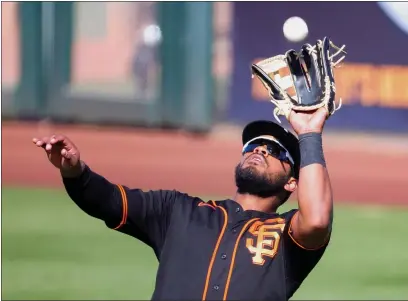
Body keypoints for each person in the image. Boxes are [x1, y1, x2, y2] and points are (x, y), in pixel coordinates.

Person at [32, 107, 333, 301]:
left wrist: (308, 133)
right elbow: (107, 201)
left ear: (292, 182)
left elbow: (318, 220)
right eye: (254, 146)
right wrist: (74, 171)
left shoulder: (287, 235)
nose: (261, 151)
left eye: (275, 152)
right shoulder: (177, 210)